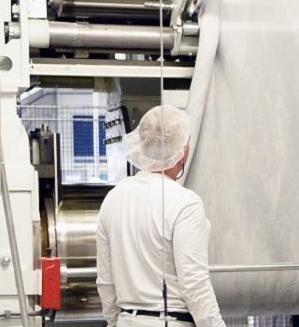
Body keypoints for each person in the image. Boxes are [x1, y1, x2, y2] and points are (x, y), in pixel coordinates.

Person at [96, 105, 227, 327]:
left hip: (126, 322)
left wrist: (114, 321)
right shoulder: (185, 203)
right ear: (182, 152)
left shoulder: (114, 198)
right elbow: (195, 284)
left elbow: (106, 281)